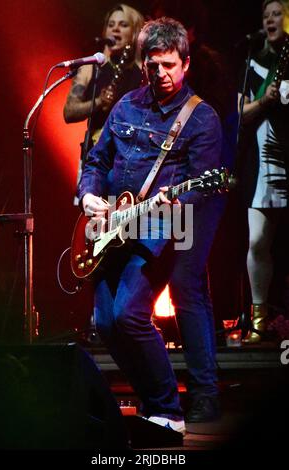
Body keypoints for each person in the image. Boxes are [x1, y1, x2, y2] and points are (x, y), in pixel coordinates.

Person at [77, 17, 224, 433]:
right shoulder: (125, 105)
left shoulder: (201, 118)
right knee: (104, 322)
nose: (161, 73)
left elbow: (204, 187)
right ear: (143, 65)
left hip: (164, 227)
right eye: (154, 65)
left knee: (129, 313)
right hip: (112, 226)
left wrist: (173, 198)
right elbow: (97, 160)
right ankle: (151, 404)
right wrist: (89, 193)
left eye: (170, 65)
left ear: (186, 64)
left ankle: (169, 409)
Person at [149, 1, 237, 422]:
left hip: (202, 189)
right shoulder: (151, 74)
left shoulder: (210, 72)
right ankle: (164, 393)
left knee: (186, 282)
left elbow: (220, 136)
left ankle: (204, 392)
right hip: (162, 194)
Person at [237, 0, 289, 344]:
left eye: (278, 13)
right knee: (257, 240)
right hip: (262, 162)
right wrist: (266, 100)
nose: (270, 20)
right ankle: (258, 316)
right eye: (266, 15)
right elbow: (240, 114)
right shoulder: (251, 64)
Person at [63, 3, 144, 194]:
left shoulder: (142, 69)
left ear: (134, 32)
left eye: (123, 24)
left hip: (130, 159)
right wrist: (99, 102)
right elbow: (68, 112)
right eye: (111, 24)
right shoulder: (90, 67)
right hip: (96, 158)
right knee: (95, 218)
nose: (115, 29)